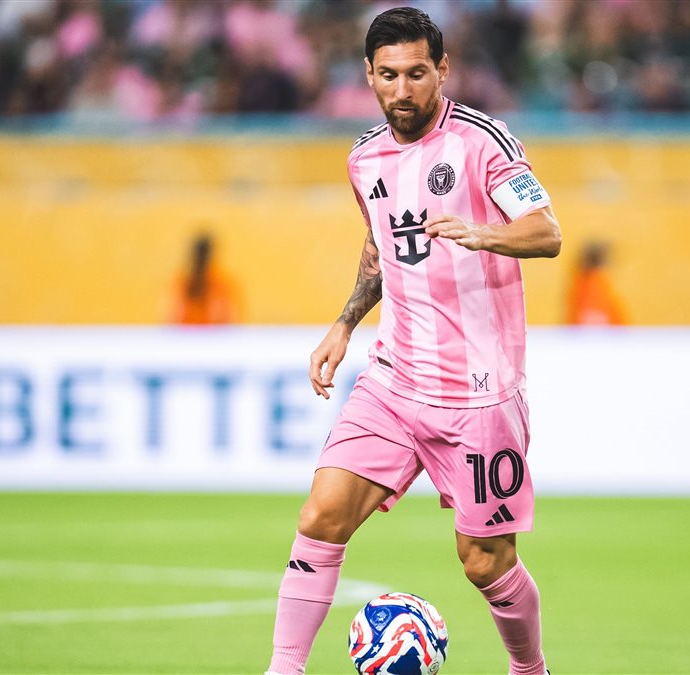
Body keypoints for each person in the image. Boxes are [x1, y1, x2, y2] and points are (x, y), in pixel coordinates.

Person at [266, 7, 561, 675]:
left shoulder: (485, 143)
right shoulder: (364, 157)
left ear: (443, 70)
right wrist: (345, 322)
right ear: (369, 76)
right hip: (394, 381)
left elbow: (547, 232)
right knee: (321, 515)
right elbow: (381, 248)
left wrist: (483, 233)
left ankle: (529, 669)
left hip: (480, 395)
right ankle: (284, 668)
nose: (403, 90)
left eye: (417, 73)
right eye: (389, 75)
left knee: (485, 561)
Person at [169, 232, 242, 325]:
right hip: (194, 332)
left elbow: (173, 316)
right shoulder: (183, 282)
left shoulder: (219, 282)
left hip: (207, 332)